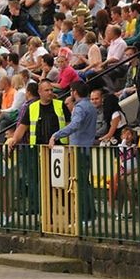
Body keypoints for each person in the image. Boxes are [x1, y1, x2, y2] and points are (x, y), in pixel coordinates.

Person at [49, 81, 97, 224]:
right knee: (85, 184)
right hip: (86, 148)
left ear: (74, 92)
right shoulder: (91, 107)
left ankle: (84, 217)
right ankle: (90, 215)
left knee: (80, 185)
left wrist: (56, 135)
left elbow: (75, 125)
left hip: (79, 150)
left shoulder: (80, 107)